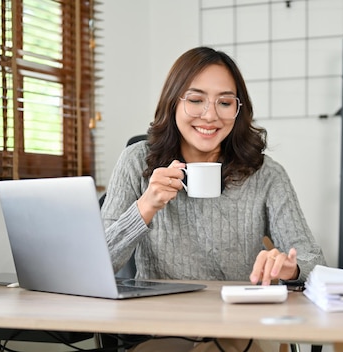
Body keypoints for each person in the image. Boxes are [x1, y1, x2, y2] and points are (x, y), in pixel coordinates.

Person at [101, 46, 326, 352]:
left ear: (238, 109)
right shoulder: (136, 162)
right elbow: (100, 265)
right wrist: (145, 206)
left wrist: (289, 267)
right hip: (160, 326)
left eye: (224, 102)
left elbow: (314, 262)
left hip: (240, 322)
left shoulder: (266, 174)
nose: (210, 115)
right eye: (195, 100)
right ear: (173, 103)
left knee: (226, 346)